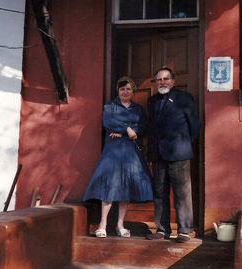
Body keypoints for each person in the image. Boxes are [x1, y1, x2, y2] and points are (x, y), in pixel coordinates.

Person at [83, 76, 153, 238]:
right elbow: (108, 122)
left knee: (125, 188)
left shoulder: (138, 109)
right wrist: (128, 129)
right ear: (118, 91)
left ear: (133, 91)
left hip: (131, 152)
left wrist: (124, 130)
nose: (125, 92)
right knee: (110, 185)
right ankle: (102, 225)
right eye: (122, 89)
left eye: (128, 89)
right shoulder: (110, 106)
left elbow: (142, 126)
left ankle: (120, 225)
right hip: (113, 152)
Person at [146, 67, 200, 243]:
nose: (163, 82)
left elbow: (195, 126)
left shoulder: (184, 98)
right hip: (158, 155)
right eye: (159, 79)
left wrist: (182, 143)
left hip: (179, 154)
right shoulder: (152, 101)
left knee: (182, 193)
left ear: (173, 81)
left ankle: (184, 230)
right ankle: (162, 230)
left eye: (166, 79)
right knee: (160, 193)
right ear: (155, 83)